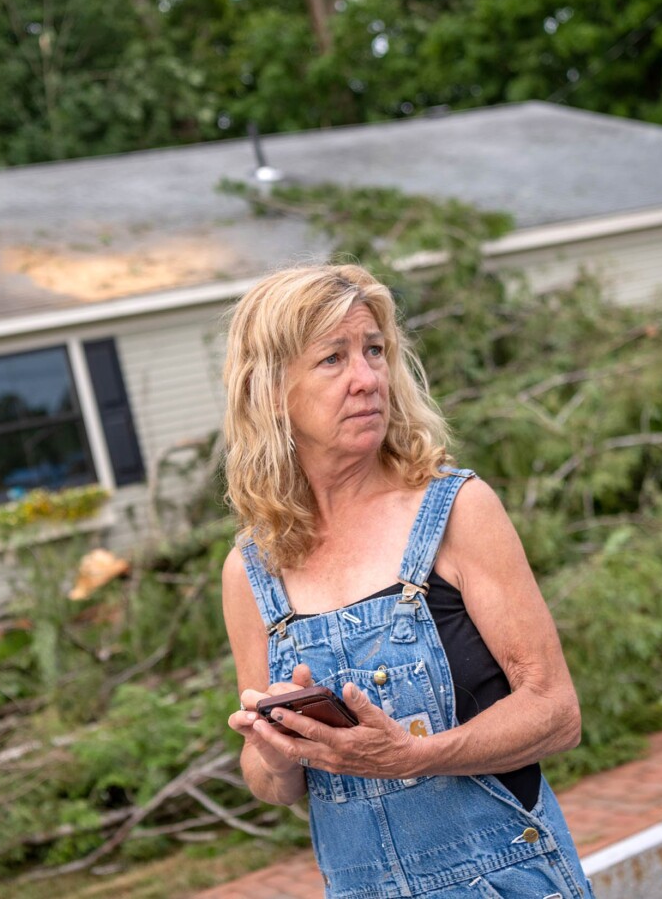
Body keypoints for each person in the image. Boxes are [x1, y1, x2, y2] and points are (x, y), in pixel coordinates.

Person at [221, 263, 595, 899]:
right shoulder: (251, 569)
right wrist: (277, 755)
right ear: (272, 390)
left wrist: (417, 757)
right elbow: (267, 780)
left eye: (374, 351)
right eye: (333, 359)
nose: (368, 379)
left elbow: (556, 713)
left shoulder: (457, 510)